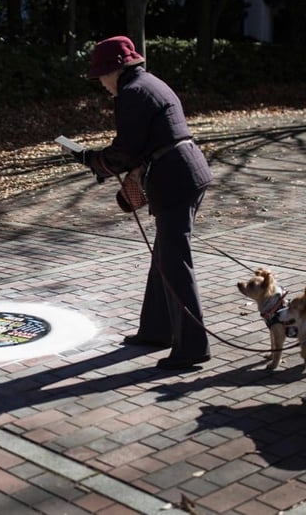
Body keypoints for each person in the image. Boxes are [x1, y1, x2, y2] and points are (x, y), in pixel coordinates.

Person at [72, 35, 213, 369]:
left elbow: (125, 151)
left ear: (115, 69)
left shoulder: (132, 93)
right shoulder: (150, 83)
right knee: (164, 257)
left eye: (101, 76)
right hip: (186, 173)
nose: (102, 84)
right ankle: (157, 330)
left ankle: (193, 347)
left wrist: (92, 159)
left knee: (176, 263)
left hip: (175, 180)